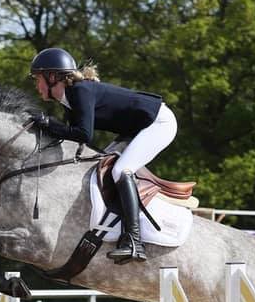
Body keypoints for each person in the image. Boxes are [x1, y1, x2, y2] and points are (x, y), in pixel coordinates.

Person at [28, 47, 178, 264]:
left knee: (120, 170)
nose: (36, 85)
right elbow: (74, 137)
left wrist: (49, 124)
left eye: (38, 79)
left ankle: (134, 240)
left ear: (53, 77)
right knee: (99, 168)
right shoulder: (69, 99)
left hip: (159, 123)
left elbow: (83, 135)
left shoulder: (79, 91)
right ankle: (115, 226)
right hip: (136, 128)